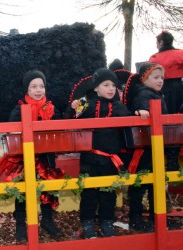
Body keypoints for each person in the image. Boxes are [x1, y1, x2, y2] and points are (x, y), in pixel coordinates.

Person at [69, 68, 143, 239]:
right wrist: (73, 108)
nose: (111, 88)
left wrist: (139, 113)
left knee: (108, 192)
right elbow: (72, 117)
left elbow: (131, 119)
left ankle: (106, 223)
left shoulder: (119, 106)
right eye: (106, 85)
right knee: (89, 192)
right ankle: (87, 224)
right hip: (90, 158)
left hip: (111, 159)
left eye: (113, 85)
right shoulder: (87, 103)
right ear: (96, 88)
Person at [9, 70, 63, 241]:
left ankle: (47, 220)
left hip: (47, 156)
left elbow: (61, 125)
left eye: (41, 86)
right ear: (27, 90)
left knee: (48, 189)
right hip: (25, 159)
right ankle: (20, 226)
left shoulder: (52, 108)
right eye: (34, 87)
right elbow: (12, 129)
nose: (38, 90)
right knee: (23, 192)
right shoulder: (19, 108)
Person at [123, 62, 168, 232]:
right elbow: (140, 115)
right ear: (144, 79)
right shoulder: (143, 96)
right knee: (140, 182)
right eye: (155, 77)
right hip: (144, 146)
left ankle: (155, 216)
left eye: (162, 77)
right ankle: (136, 217)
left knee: (154, 182)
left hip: (155, 145)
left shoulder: (158, 95)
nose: (160, 80)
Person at [149, 31, 183, 171]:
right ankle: (174, 157)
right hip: (180, 89)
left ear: (161, 42)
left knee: (165, 123)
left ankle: (169, 157)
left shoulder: (155, 57)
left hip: (163, 90)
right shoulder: (180, 53)